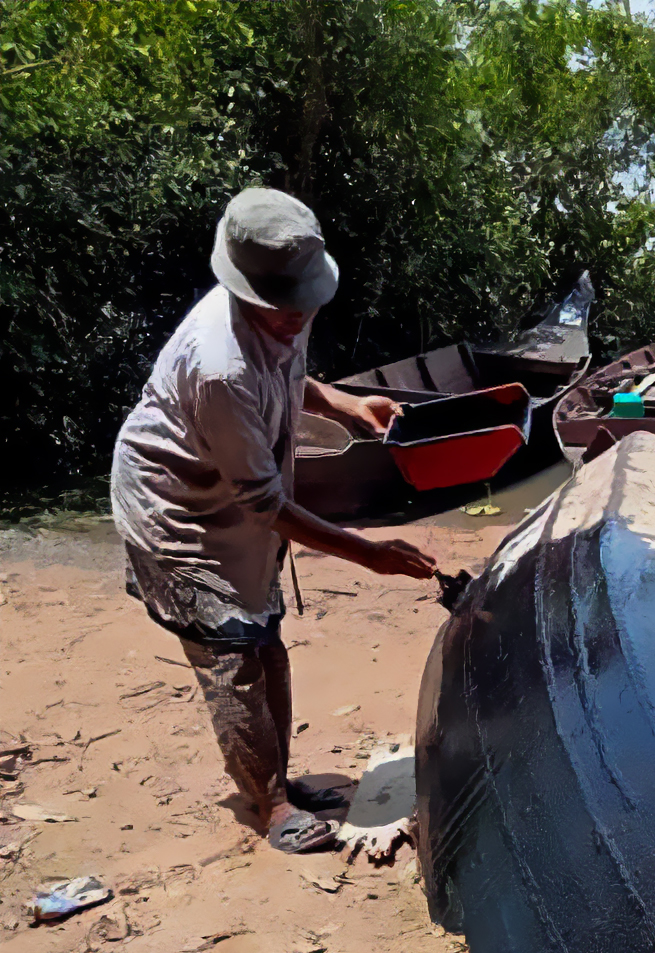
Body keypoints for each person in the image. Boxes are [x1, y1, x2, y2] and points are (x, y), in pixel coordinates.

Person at [111, 187, 438, 852]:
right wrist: (368, 553)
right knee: (231, 654)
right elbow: (265, 505)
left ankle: (279, 778)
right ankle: (271, 807)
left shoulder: (291, 301)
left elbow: (290, 370)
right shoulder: (218, 368)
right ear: (246, 291)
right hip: (177, 511)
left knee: (269, 643)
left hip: (236, 499)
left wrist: (344, 404)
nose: (296, 320)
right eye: (281, 310)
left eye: (303, 307)